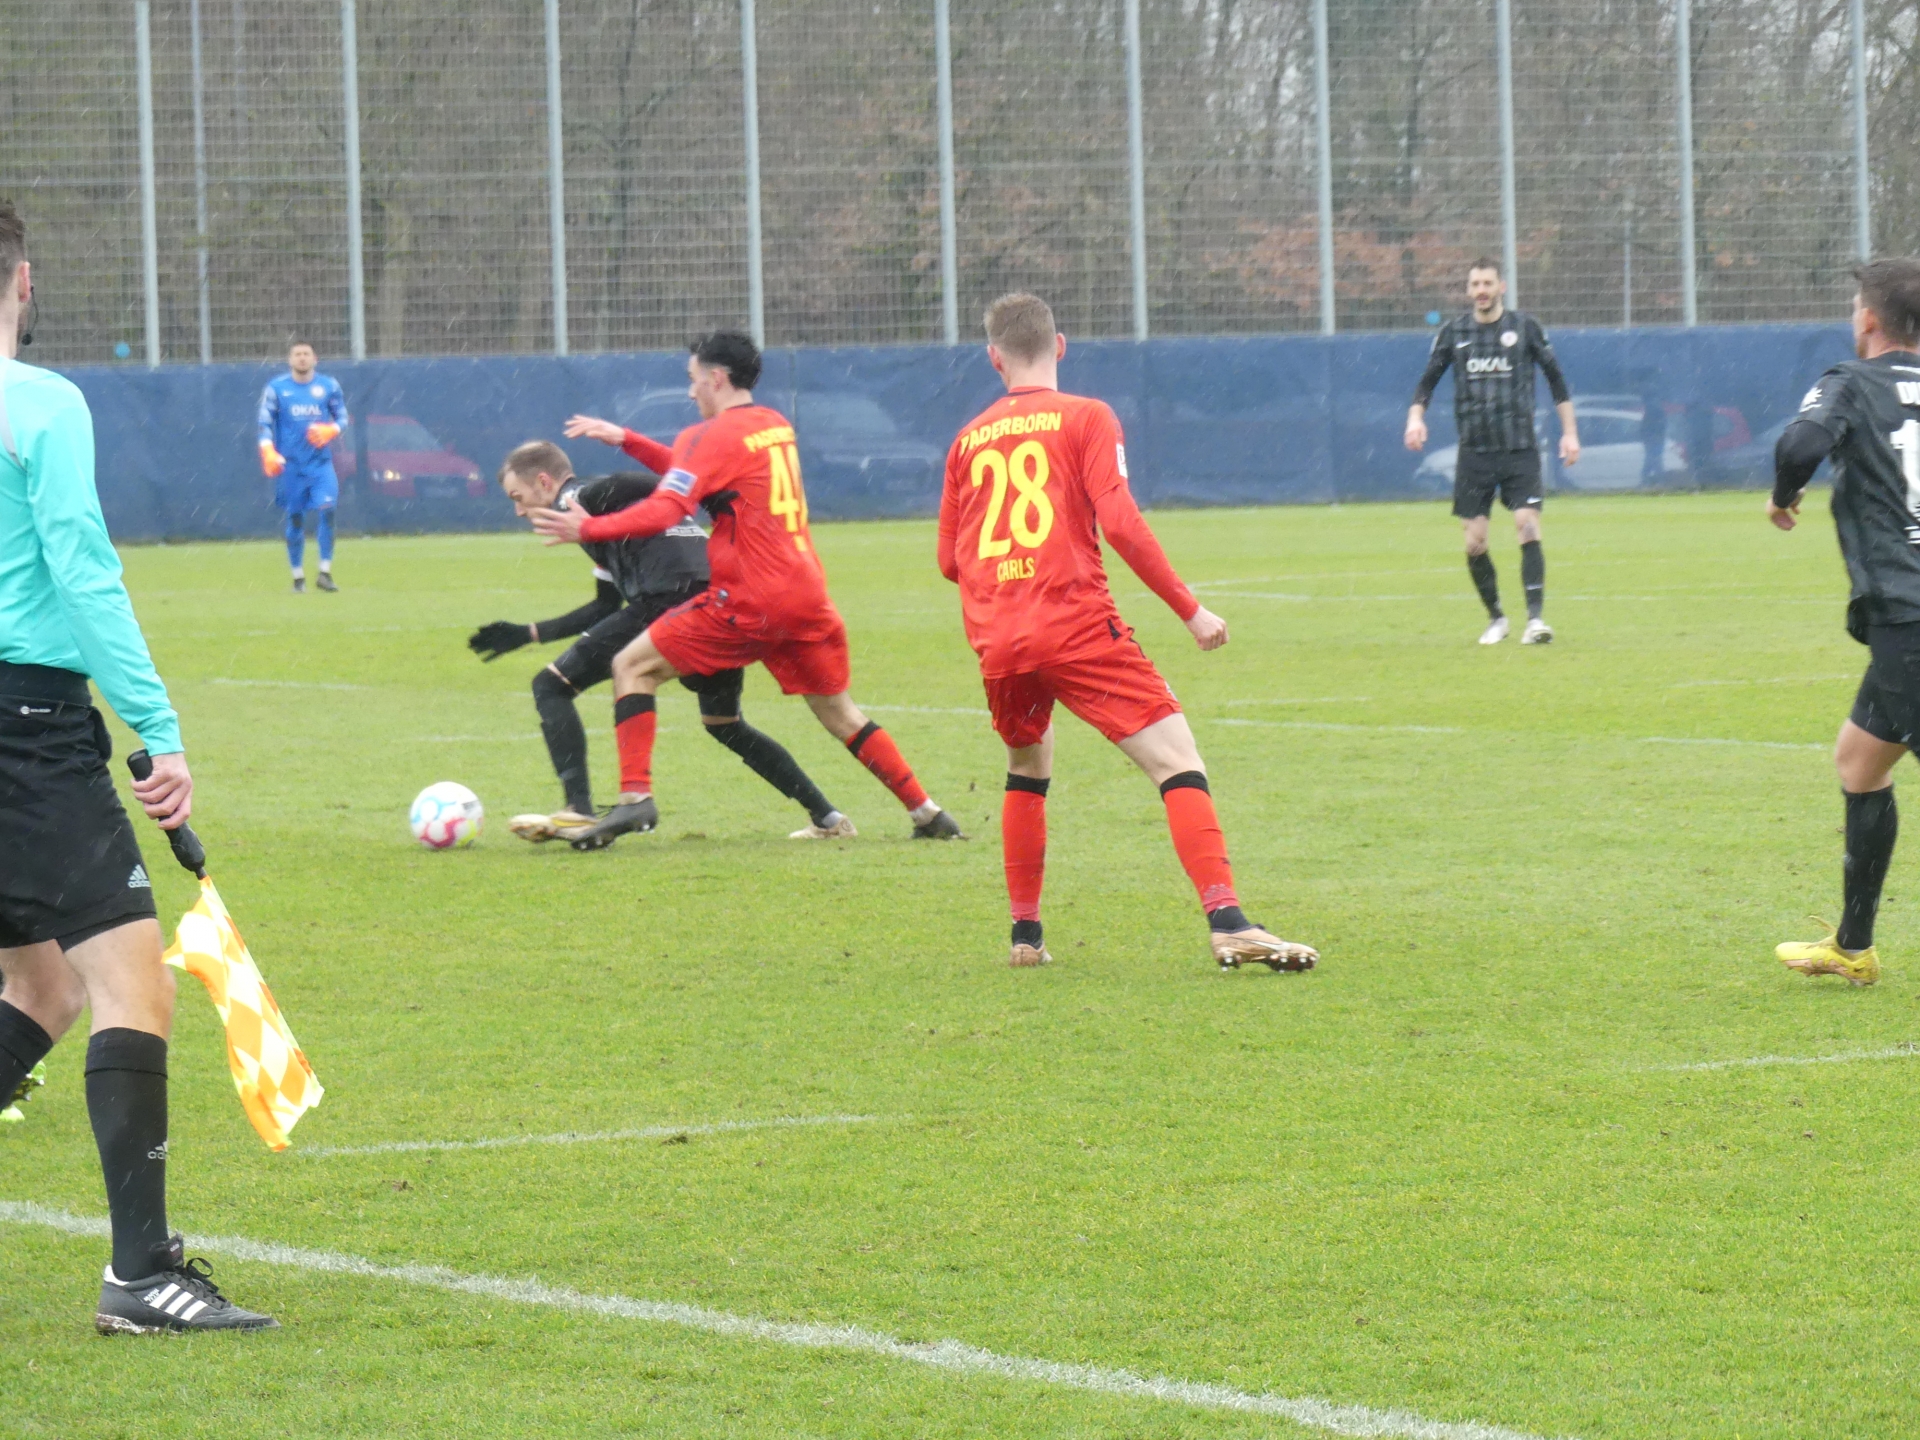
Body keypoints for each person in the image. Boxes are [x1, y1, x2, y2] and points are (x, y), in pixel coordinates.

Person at [0, 199, 274, 1332]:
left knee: (39, 987)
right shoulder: (38, 403)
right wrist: (156, 727)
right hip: (25, 726)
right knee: (132, 987)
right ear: (23, 283)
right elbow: (80, 565)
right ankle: (140, 1274)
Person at [939, 292, 1318, 972]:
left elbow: (949, 560)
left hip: (999, 636)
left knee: (1026, 766)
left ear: (994, 358)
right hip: (1074, 624)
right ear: (1060, 345)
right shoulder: (1087, 415)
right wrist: (1190, 610)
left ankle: (1025, 936)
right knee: (1176, 760)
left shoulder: (967, 440)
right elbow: (1119, 522)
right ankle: (1228, 921)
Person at [534, 331, 961, 845]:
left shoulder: (707, 435)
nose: (690, 391)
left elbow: (669, 506)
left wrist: (590, 528)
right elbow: (696, 471)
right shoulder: (773, 425)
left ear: (716, 378)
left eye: (693, 379)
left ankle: (635, 800)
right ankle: (928, 813)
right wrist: (627, 439)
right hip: (806, 594)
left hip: (751, 599)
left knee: (631, 666)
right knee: (840, 713)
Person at [474, 440, 854, 844]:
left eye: (518, 498)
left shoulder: (577, 497)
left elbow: (631, 482)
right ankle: (828, 817)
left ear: (544, 482)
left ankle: (579, 810)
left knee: (551, 686)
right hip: (716, 605)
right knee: (725, 724)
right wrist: (529, 633)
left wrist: (678, 486)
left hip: (668, 601)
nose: (519, 511)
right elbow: (604, 606)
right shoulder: (601, 518)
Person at [1768, 257, 1920, 987]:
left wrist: (1783, 495)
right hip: (1904, 618)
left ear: (1868, 318)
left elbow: (1800, 444)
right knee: (1861, 761)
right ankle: (1853, 946)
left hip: (1907, 609)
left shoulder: (1851, 382)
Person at [1405, 258, 1580, 645]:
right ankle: (1497, 618)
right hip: (1475, 453)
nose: (1481, 290)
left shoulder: (1525, 328)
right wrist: (1415, 419)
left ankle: (1535, 621)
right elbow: (1427, 382)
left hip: (1519, 448)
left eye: (1487, 283)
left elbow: (1557, 382)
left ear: (1502, 286)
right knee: (1474, 542)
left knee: (1527, 525)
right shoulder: (1454, 333)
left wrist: (1570, 433)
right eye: (1475, 284)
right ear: (1468, 290)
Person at [257, 340, 347, 593]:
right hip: (291, 466)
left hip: (320, 464)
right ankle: (298, 578)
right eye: (297, 354)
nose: (302, 358)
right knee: (295, 518)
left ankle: (325, 573)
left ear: (314, 359)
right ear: (290, 360)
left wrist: (333, 429)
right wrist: (267, 450)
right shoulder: (277, 388)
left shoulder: (328, 386)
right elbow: (264, 422)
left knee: (328, 510)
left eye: (306, 354)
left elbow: (342, 416)